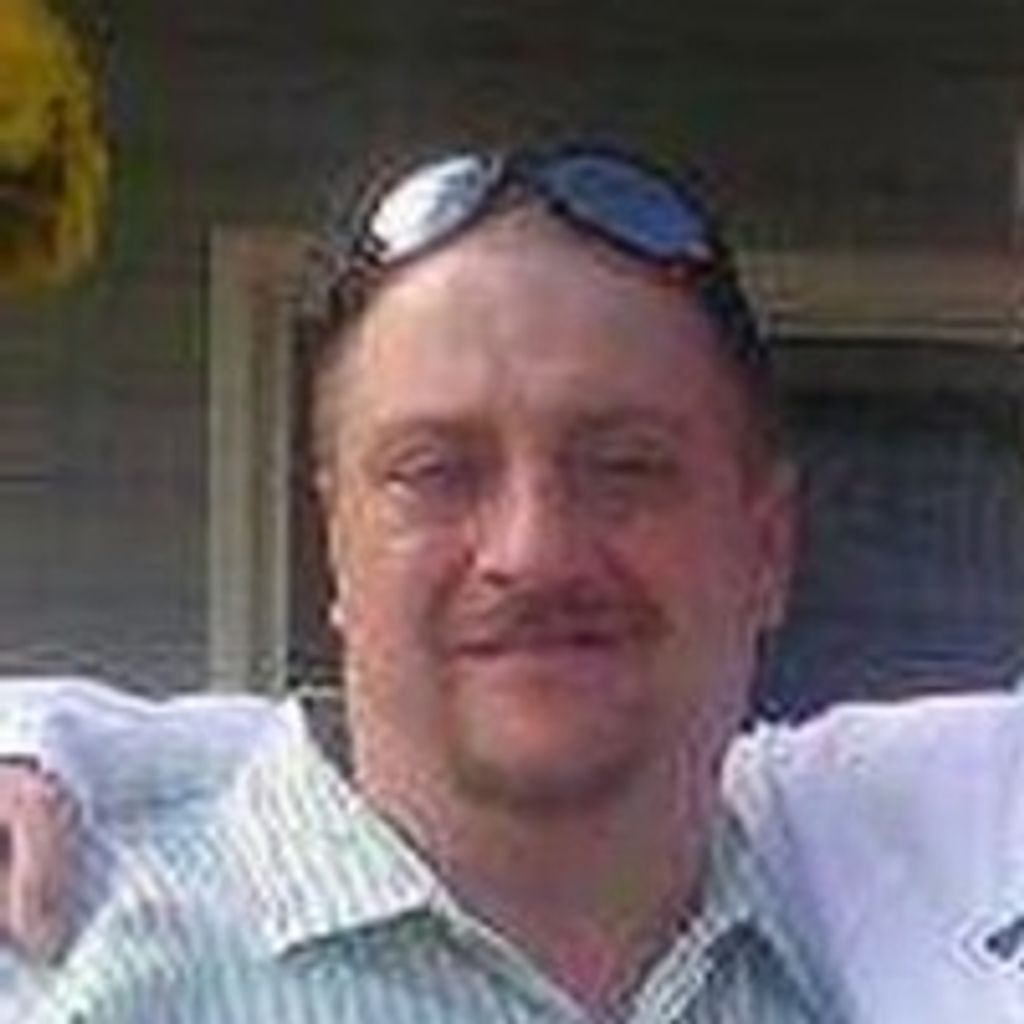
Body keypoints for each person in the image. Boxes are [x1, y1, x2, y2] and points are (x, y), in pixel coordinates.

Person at [0, 140, 846, 1021]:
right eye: (437, 471)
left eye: (626, 466)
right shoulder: (55, 970)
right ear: (333, 543)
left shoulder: (896, 965)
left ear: (767, 546)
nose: (532, 551)